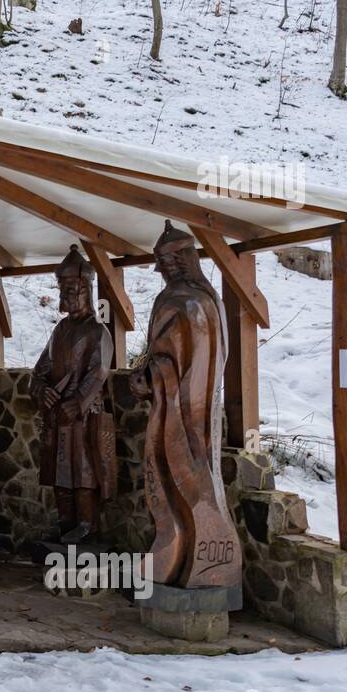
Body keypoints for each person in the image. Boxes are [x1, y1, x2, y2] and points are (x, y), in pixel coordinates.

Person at [129, 221, 241, 589]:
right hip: (200, 411)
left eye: (164, 262)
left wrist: (148, 378)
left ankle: (193, 558)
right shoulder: (211, 301)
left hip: (178, 410)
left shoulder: (179, 301)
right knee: (194, 474)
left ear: (180, 260)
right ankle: (194, 556)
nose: (160, 270)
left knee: (175, 472)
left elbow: (166, 360)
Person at [30, 246, 115, 544]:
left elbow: (98, 372)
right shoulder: (60, 331)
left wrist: (77, 402)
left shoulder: (98, 332)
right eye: (62, 289)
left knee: (83, 472)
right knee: (58, 472)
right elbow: (40, 369)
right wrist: (42, 391)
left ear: (85, 291)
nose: (64, 296)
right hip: (58, 417)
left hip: (82, 418)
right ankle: (66, 522)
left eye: (70, 290)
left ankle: (87, 525)